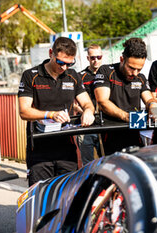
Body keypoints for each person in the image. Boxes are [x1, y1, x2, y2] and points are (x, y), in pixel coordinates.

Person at [18, 37, 95, 186]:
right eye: (60, 62)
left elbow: (87, 103)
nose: (64, 68)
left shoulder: (73, 76)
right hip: (39, 149)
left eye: (69, 63)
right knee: (40, 196)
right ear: (50, 53)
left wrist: (88, 111)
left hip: (67, 148)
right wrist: (51, 114)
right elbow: (24, 111)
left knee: (68, 195)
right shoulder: (31, 75)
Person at [94, 38, 157, 155]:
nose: (135, 73)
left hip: (134, 133)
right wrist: (126, 117)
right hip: (111, 134)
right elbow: (102, 101)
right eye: (131, 68)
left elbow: (149, 99)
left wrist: (153, 106)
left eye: (139, 69)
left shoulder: (141, 77)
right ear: (122, 59)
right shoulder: (105, 71)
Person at [77, 44, 103, 165]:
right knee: (87, 163)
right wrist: (86, 113)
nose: (96, 60)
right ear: (88, 58)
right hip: (86, 125)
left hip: (104, 124)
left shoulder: (108, 74)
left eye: (99, 57)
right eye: (93, 57)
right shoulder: (80, 76)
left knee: (106, 160)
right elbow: (74, 102)